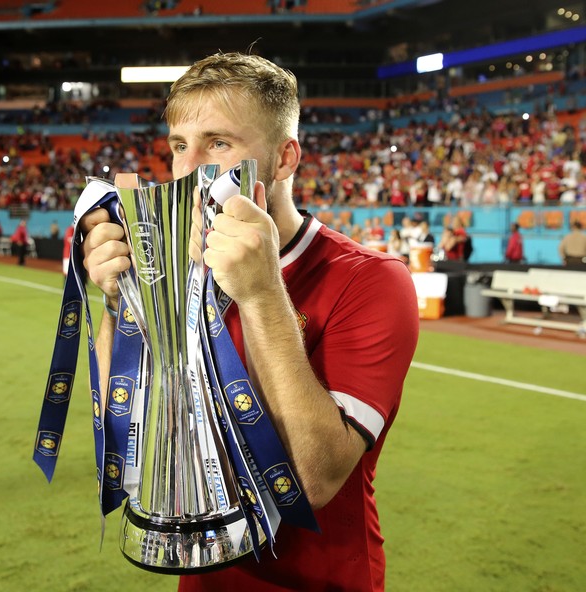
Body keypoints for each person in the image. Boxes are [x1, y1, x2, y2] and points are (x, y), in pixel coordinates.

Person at [78, 52, 419, 591]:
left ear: (284, 159)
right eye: (179, 146)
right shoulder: (174, 270)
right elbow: (129, 437)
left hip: (318, 580)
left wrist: (261, 293)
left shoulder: (371, 280)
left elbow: (315, 478)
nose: (188, 170)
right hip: (203, 577)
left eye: (218, 143)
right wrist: (122, 303)